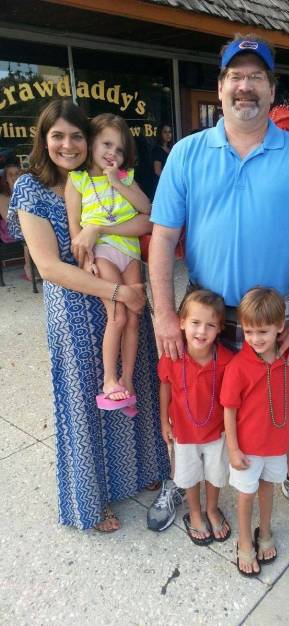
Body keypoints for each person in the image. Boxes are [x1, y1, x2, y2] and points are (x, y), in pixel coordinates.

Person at [148, 34, 289, 532]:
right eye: (236, 76)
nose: (245, 86)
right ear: (220, 87)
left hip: (275, 314)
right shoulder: (187, 153)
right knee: (190, 398)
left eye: (255, 77)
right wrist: (163, 313)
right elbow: (162, 238)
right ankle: (181, 478)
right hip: (203, 309)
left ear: (272, 89)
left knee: (280, 402)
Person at [8, 99, 170, 532]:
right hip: (77, 310)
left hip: (124, 294)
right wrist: (119, 292)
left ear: (90, 139)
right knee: (86, 403)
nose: (68, 144)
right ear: (43, 140)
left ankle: (142, 470)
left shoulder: (104, 176)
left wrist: (104, 234)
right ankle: (93, 501)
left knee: (138, 383)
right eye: (57, 136)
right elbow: (49, 267)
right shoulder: (31, 188)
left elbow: (145, 219)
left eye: (77, 135)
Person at [65, 113, 150, 410]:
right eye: (106, 144)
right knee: (118, 316)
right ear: (91, 143)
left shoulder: (125, 177)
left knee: (135, 318)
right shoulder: (78, 180)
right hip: (102, 254)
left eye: (120, 149)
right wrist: (84, 261)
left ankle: (127, 380)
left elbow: (146, 210)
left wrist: (117, 181)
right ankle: (109, 379)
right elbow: (76, 231)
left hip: (130, 253)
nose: (113, 153)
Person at [221, 288, 289, 576]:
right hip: (247, 448)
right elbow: (229, 410)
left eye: (263, 332)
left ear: (280, 326)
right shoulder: (238, 367)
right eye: (249, 332)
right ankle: (244, 540)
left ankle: (265, 530)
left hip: (277, 445)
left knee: (268, 488)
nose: (255, 339)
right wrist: (233, 448)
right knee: (246, 494)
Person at [156, 289, 233, 543]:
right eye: (195, 323)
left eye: (210, 325)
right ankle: (195, 512)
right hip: (183, 432)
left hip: (216, 431)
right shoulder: (172, 356)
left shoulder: (227, 360)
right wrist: (163, 421)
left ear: (219, 329)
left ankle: (212, 508)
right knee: (189, 474)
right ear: (181, 323)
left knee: (215, 473)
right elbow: (165, 386)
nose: (201, 331)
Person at [0, 157, 33, 280]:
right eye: (11, 174)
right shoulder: (2, 197)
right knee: (30, 234)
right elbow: (9, 219)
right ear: (6, 178)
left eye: (17, 173)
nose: (14, 177)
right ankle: (28, 267)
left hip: (27, 226)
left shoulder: (26, 192)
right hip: (10, 230)